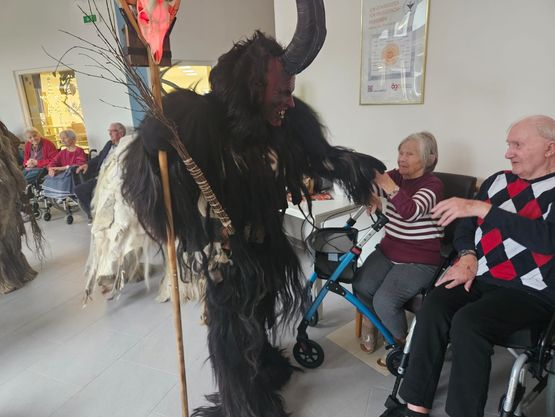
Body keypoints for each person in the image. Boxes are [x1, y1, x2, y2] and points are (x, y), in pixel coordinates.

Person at [119, 1, 385, 416]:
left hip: (266, 243)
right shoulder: (199, 120)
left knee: (259, 313)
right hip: (225, 252)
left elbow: (323, 157)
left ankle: (261, 363)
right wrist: (153, 150)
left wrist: (368, 172)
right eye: (282, 93)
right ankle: (242, 406)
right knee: (230, 330)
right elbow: (154, 183)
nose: (290, 103)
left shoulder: (286, 123)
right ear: (252, 89)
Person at [385, 115, 555, 417]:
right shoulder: (498, 180)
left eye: (517, 145)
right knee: (434, 305)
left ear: (549, 148)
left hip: (529, 290)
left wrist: (482, 208)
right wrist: (467, 255)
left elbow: (547, 240)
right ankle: (415, 406)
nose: (508, 153)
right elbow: (466, 225)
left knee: (469, 322)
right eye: (508, 145)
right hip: (481, 274)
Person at [353, 132, 443, 356]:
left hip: (420, 258)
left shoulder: (433, 185)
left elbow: (410, 212)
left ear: (429, 158)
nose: (401, 158)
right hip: (389, 249)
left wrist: (388, 185)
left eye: (409, 154)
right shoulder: (395, 177)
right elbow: (361, 189)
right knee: (361, 284)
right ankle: (373, 324)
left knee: (385, 300)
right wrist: (368, 195)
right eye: (400, 153)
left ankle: (399, 344)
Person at [0, 125, 43, 294]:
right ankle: (5, 278)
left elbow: (12, 145)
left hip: (6, 189)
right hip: (5, 186)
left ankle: (18, 271)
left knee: (9, 233)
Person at [74, 122, 126, 221]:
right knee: (79, 190)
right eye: (109, 131)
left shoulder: (125, 146)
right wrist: (87, 164)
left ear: (121, 133)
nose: (109, 133)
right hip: (100, 176)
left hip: (114, 178)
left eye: (112, 131)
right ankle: (93, 215)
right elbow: (99, 157)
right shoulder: (109, 144)